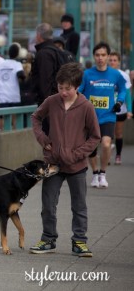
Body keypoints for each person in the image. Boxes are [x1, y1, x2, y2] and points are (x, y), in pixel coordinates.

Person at [30, 62, 101, 257]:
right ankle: (48, 239)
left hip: (77, 165)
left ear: (77, 86)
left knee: (79, 205)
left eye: (67, 89)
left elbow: (95, 137)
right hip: (53, 163)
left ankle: (79, 241)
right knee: (48, 204)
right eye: (60, 87)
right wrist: (43, 139)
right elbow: (36, 118)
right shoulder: (52, 101)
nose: (63, 92)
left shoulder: (86, 106)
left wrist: (77, 154)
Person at [78, 42, 127, 188]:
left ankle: (103, 173)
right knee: (92, 148)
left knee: (106, 144)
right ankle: (94, 173)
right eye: (97, 55)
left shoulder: (115, 74)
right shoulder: (87, 74)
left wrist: (119, 102)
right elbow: (78, 91)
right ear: (94, 57)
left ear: (108, 56)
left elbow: (123, 89)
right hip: (90, 117)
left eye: (103, 55)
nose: (100, 58)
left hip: (108, 115)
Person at [108, 52, 132, 165]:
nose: (112, 62)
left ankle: (118, 155)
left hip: (120, 109)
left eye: (114, 60)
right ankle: (107, 155)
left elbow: (127, 93)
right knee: (107, 134)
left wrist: (130, 110)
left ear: (118, 62)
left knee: (118, 133)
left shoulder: (124, 75)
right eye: (111, 60)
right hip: (107, 109)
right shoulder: (104, 74)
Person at [0, 43, 25, 108]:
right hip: (13, 96)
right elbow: (21, 75)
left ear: (8, 53)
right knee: (14, 117)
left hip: (2, 96)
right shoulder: (17, 64)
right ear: (17, 54)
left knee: (3, 116)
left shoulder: (1, 64)